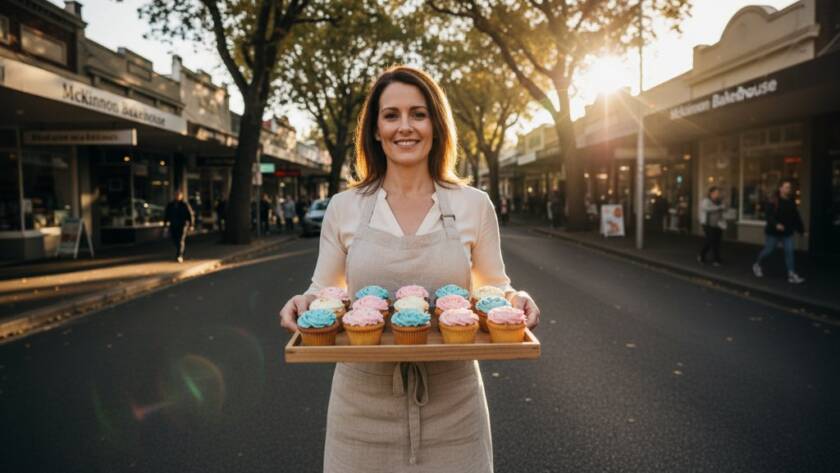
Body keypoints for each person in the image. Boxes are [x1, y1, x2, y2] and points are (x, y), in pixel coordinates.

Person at [279, 66, 540, 472]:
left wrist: (515, 299)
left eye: (418, 114)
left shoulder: (474, 204)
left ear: (436, 124)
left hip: (455, 404)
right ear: (375, 129)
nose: (406, 127)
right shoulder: (344, 207)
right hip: (359, 407)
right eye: (391, 115)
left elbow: (494, 287)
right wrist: (302, 302)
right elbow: (325, 291)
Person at [753, 179, 806, 284]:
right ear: (780, 188)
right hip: (773, 232)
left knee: (789, 252)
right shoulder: (773, 200)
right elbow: (769, 216)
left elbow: (796, 217)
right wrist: (776, 224)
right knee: (768, 251)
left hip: (787, 233)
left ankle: (791, 274)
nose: (788, 189)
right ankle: (757, 264)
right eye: (786, 187)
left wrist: (801, 230)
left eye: (789, 187)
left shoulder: (791, 201)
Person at [697, 186, 726, 266]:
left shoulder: (719, 201)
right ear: (711, 193)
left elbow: (723, 210)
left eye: (718, 193)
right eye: (715, 193)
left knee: (717, 241)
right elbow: (707, 208)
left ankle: (716, 259)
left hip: (718, 224)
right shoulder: (706, 201)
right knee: (710, 240)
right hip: (707, 224)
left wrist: (723, 207)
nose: (717, 194)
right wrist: (719, 207)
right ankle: (702, 255)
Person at [164, 190, 194, 263]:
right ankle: (180, 251)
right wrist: (165, 224)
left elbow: (190, 215)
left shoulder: (184, 204)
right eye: (176, 195)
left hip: (182, 225)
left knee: (181, 240)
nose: (177, 196)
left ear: (181, 196)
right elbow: (167, 214)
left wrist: (191, 225)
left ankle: (179, 255)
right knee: (175, 239)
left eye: (178, 195)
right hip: (173, 225)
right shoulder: (171, 204)